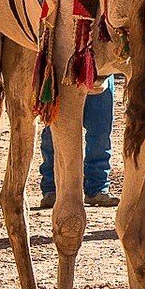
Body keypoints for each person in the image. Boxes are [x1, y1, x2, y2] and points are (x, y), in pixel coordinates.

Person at [37, 76, 118, 210]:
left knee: (100, 131)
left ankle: (97, 188)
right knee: (55, 131)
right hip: (64, 71)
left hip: (100, 70)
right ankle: (52, 189)